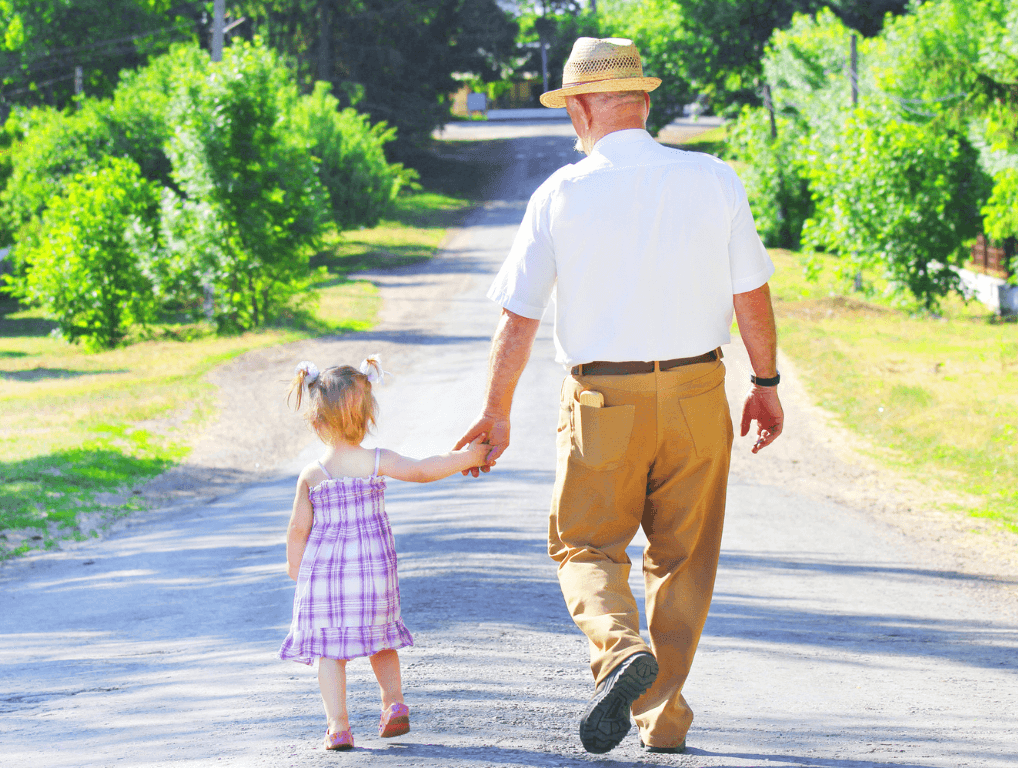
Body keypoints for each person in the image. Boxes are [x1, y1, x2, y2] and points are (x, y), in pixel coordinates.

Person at [454, 38, 784, 755]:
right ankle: (660, 718)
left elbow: (519, 318)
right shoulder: (714, 178)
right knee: (684, 556)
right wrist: (765, 383)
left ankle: (618, 648)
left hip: (603, 399)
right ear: (643, 100)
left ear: (579, 108)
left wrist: (495, 412)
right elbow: (751, 292)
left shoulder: (561, 194)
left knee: (586, 543)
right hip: (698, 389)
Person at [280, 356, 490, 751]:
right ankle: (393, 703)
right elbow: (426, 469)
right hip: (374, 576)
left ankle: (338, 726)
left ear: (316, 422)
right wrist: (469, 457)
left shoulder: (312, 475)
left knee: (330, 653)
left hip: (327, 580)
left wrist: (296, 568)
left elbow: (297, 529)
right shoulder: (378, 462)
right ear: (367, 416)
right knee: (382, 641)